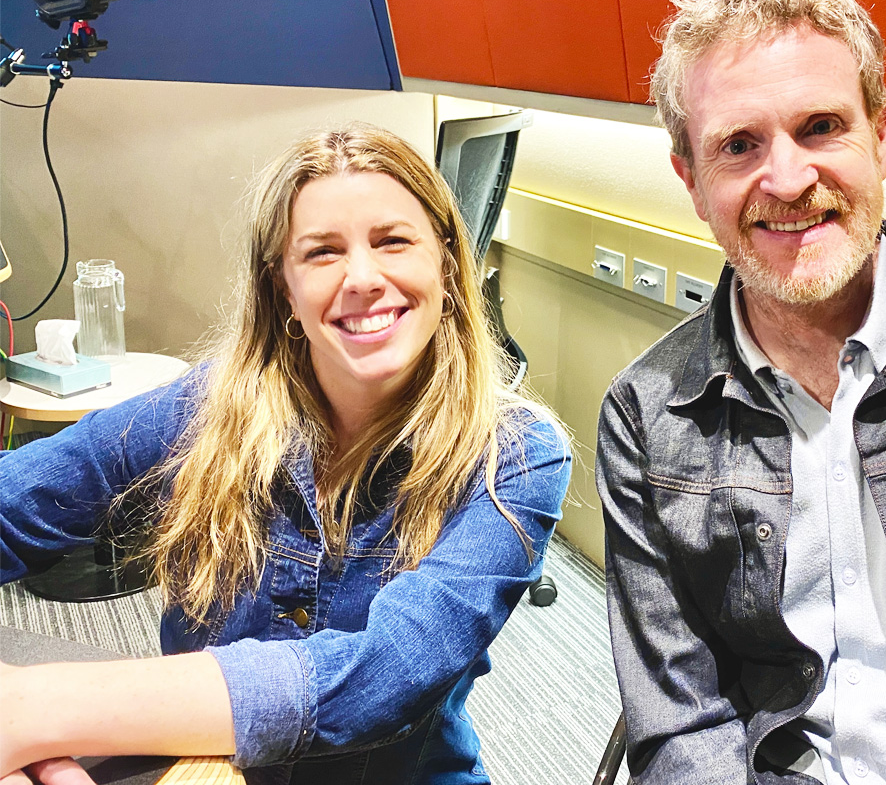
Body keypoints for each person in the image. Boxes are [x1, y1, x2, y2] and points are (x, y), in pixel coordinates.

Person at [0, 126, 570, 784]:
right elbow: (20, 500)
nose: (362, 277)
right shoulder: (204, 408)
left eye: (393, 241)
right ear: (283, 291)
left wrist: (39, 707)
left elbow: (384, 674)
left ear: (445, 264)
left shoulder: (518, 457)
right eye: (323, 253)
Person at [596, 0, 886, 784]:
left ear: (880, 136)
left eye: (820, 127)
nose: (787, 180)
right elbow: (682, 726)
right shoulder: (646, 418)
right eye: (739, 145)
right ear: (692, 181)